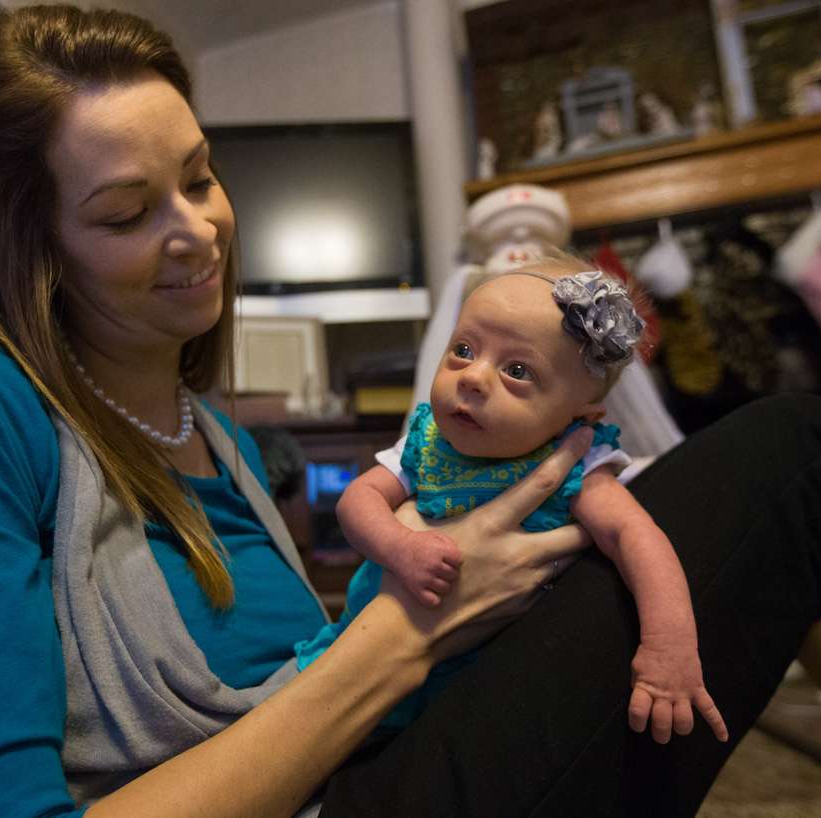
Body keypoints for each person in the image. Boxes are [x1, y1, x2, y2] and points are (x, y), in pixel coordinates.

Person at [0, 6, 821, 817]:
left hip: (373, 746)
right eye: (125, 212)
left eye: (200, 177)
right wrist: (407, 635)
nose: (199, 229)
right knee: (804, 451)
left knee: (766, 531)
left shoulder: (211, 433)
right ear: (23, 242)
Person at [297, 261, 727, 742]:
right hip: (365, 651)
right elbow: (359, 498)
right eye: (463, 350)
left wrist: (668, 648)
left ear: (579, 414)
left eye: (517, 371)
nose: (474, 377)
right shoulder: (427, 438)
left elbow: (635, 537)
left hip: (495, 679)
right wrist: (398, 545)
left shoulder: (577, 463)